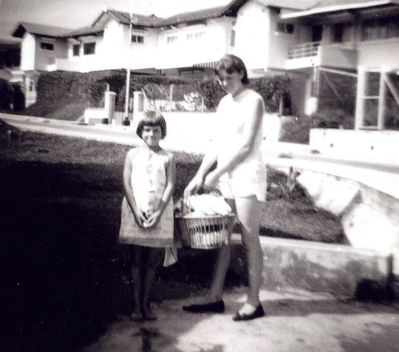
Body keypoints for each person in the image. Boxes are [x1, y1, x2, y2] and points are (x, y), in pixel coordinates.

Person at [182, 54, 266, 321]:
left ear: (241, 72)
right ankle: (214, 297)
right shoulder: (223, 103)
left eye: (229, 77)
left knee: (249, 239)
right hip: (227, 178)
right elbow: (217, 144)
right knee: (222, 238)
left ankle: (254, 302)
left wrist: (216, 173)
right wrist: (200, 174)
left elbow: (246, 146)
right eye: (221, 79)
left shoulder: (254, 100)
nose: (224, 82)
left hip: (248, 176)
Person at [119, 110, 176, 321]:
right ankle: (136, 306)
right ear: (141, 132)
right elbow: (126, 183)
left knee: (152, 261)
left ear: (163, 132)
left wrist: (159, 213)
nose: (151, 133)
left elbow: (171, 185)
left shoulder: (168, 157)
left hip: (158, 214)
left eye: (156, 129)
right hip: (136, 212)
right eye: (147, 129)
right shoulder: (132, 155)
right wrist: (135, 211)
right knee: (136, 261)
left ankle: (146, 304)